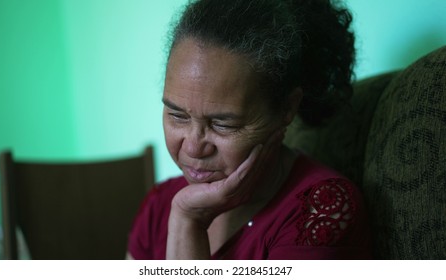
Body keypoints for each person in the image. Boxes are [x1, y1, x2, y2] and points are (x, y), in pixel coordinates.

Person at [127, 0, 371, 259]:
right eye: (177, 115)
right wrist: (180, 214)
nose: (192, 147)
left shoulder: (322, 211)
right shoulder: (160, 203)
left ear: (287, 109)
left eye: (223, 124)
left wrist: (188, 222)